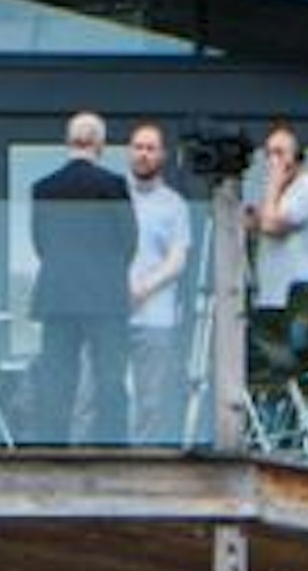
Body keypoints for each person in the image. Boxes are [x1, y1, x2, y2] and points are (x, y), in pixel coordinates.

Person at [25, 108, 136, 447]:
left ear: (68, 142)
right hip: (105, 294)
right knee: (109, 379)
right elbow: (128, 241)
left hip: (58, 294)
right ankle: (111, 449)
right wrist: (110, 270)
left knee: (56, 379)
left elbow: (40, 242)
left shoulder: (44, 188)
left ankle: (51, 447)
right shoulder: (114, 186)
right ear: (100, 145)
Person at [123, 121, 194, 452]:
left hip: (156, 317)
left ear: (162, 155)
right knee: (98, 392)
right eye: (138, 147)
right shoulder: (115, 197)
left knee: (151, 398)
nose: (144, 154)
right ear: (128, 152)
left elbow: (177, 260)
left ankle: (144, 467)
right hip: (113, 314)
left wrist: (143, 289)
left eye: (150, 148)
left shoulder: (174, 205)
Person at [243, 123, 308, 378]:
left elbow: (271, 224)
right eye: (269, 154)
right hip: (271, 300)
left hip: (291, 302)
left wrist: (272, 184)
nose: (273, 161)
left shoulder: (306, 191)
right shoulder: (285, 194)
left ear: (298, 158)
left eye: (280, 153)